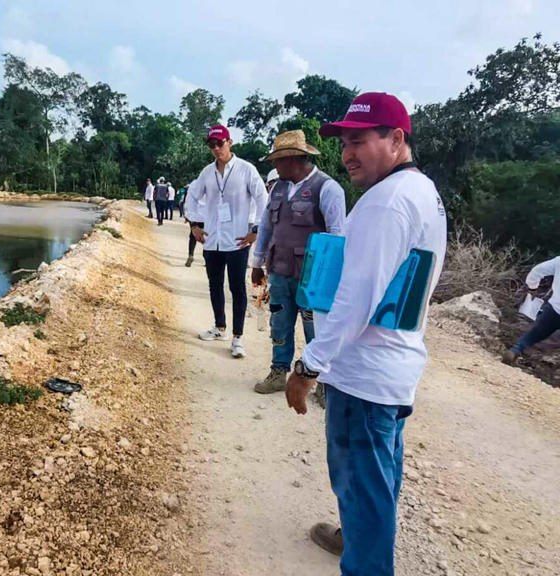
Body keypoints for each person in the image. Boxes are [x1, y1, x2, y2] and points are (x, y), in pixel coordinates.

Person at [284, 93, 447, 576]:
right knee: (379, 482)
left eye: (359, 141)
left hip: (365, 376)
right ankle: (356, 538)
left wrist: (308, 366)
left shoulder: (386, 203)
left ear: (396, 139)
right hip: (391, 370)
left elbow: (357, 299)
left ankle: (365, 556)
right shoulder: (421, 191)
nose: (347, 153)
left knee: (362, 489)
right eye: (344, 143)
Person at [251, 130, 346, 394]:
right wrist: (257, 263)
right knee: (279, 323)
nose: (274, 166)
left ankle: (323, 383)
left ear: (294, 159)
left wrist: (331, 281)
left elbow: (338, 239)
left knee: (316, 329)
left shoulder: (328, 189)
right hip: (280, 270)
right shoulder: (278, 188)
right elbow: (266, 227)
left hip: (313, 280)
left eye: (278, 161)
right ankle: (278, 371)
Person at [188, 124, 268, 358]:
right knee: (214, 285)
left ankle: (238, 337)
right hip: (212, 240)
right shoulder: (207, 173)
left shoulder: (246, 170)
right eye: (211, 145)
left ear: (229, 142)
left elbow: (263, 199)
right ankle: (220, 327)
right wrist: (194, 225)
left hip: (237, 240)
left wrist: (256, 229)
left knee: (236, 288)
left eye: (219, 143)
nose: (216, 149)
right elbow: (192, 197)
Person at [502, 255, 560, 364]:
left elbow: (537, 270)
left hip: (555, 309)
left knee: (534, 333)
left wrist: (532, 287)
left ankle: (516, 350)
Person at [184, 179, 205, 267]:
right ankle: (207, 259)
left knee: (192, 236)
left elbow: (188, 201)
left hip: (195, 216)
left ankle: (191, 255)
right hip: (208, 217)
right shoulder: (215, 182)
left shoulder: (194, 184)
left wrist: (186, 215)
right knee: (208, 238)